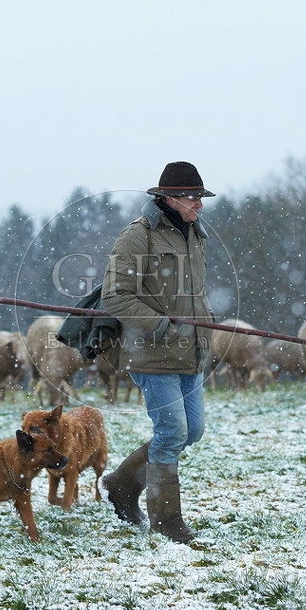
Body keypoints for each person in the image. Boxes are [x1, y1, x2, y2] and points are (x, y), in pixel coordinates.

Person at [100, 160, 215, 543]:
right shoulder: (138, 236)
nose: (198, 204)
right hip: (151, 352)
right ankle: (168, 523)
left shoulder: (195, 234)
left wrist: (205, 321)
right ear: (167, 197)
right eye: (192, 197)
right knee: (172, 430)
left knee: (191, 431)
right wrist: (161, 324)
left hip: (190, 351)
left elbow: (192, 293)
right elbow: (115, 296)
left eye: (200, 196)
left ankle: (120, 482)